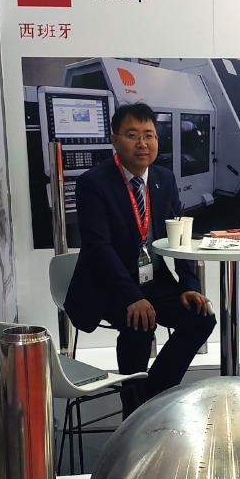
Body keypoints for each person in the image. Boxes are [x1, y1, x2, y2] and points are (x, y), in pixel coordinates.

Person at [64, 101, 215, 416]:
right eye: (132, 135)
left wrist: (189, 284)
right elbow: (98, 247)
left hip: (153, 280)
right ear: (115, 139)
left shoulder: (164, 178)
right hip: (108, 284)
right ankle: (133, 413)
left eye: (149, 135)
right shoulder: (94, 182)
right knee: (139, 324)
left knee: (201, 318)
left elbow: (180, 235)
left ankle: (152, 401)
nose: (142, 143)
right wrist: (131, 296)